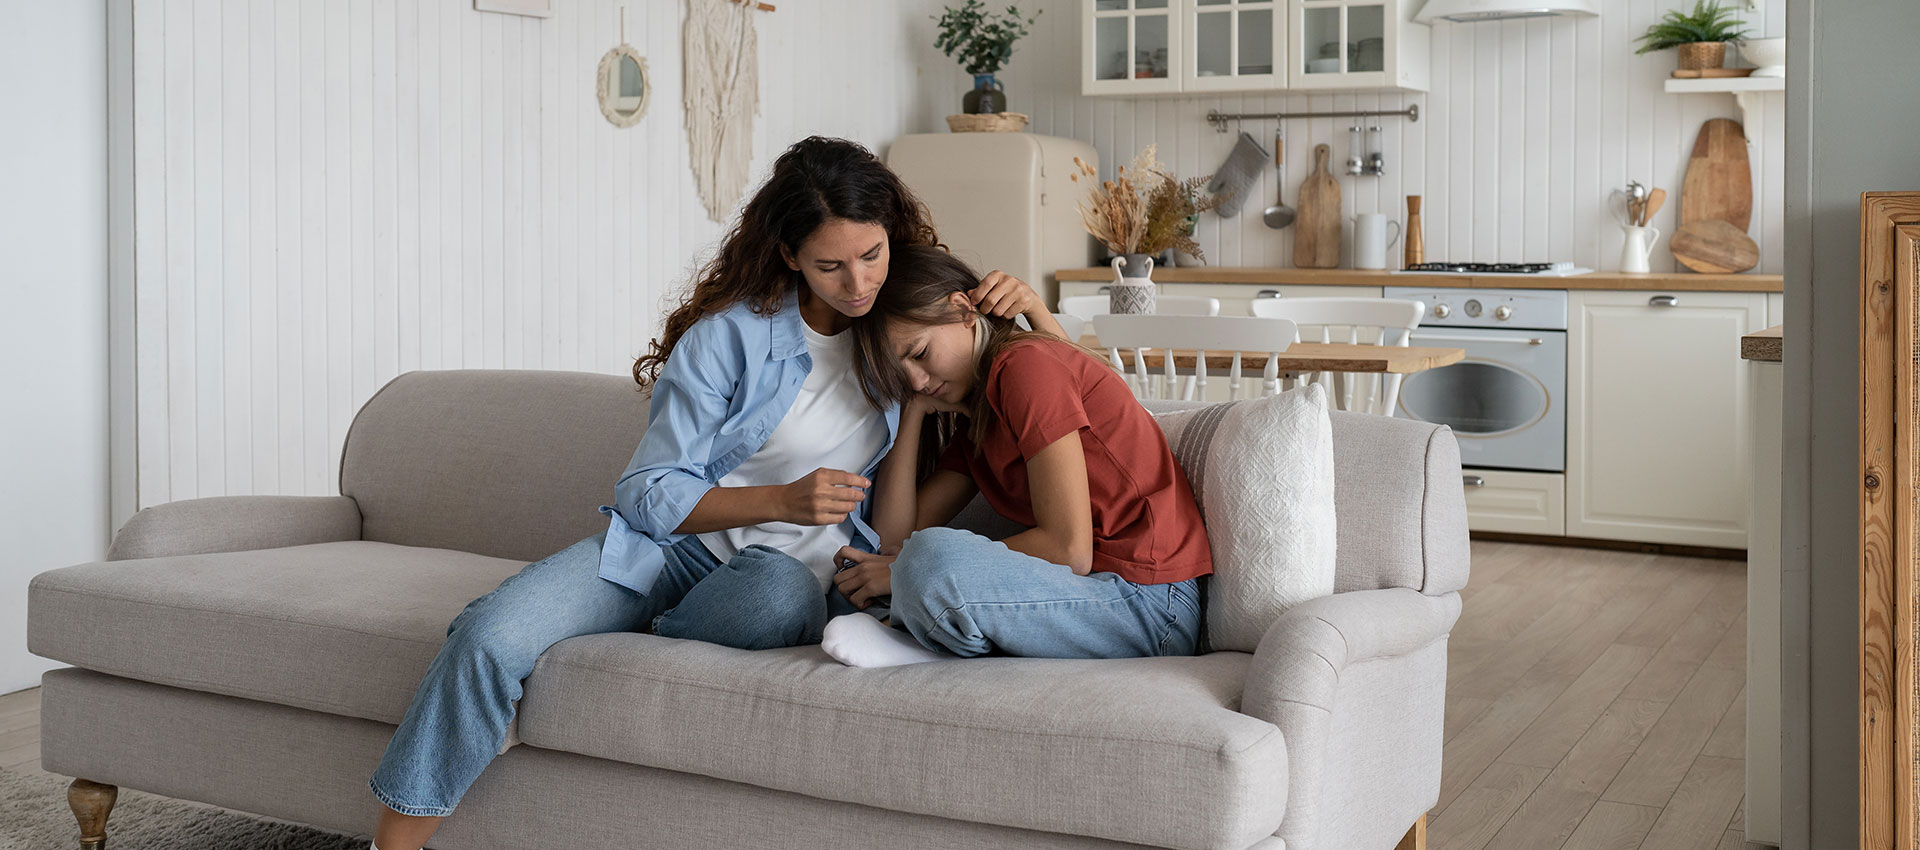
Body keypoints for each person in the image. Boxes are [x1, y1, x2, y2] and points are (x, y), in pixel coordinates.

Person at [364, 138, 1063, 850]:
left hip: (793, 582)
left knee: (774, 590)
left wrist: (1038, 314)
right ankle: (392, 844)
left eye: (873, 254)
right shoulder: (733, 337)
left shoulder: (911, 335)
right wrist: (781, 501)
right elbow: (647, 491)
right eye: (830, 265)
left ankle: (657, 631)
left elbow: (1065, 411)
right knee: (490, 636)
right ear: (790, 256)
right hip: (668, 554)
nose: (858, 283)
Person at [821, 244, 1211, 668]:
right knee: (874, 578)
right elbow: (894, 538)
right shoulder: (977, 423)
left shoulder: (1025, 366)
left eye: (919, 354)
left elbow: (1069, 549)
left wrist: (903, 573)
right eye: (900, 376)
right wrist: (912, 406)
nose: (917, 378)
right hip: (1094, 593)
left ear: (962, 311)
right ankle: (923, 633)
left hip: (1151, 603)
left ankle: (918, 640)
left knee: (929, 562)